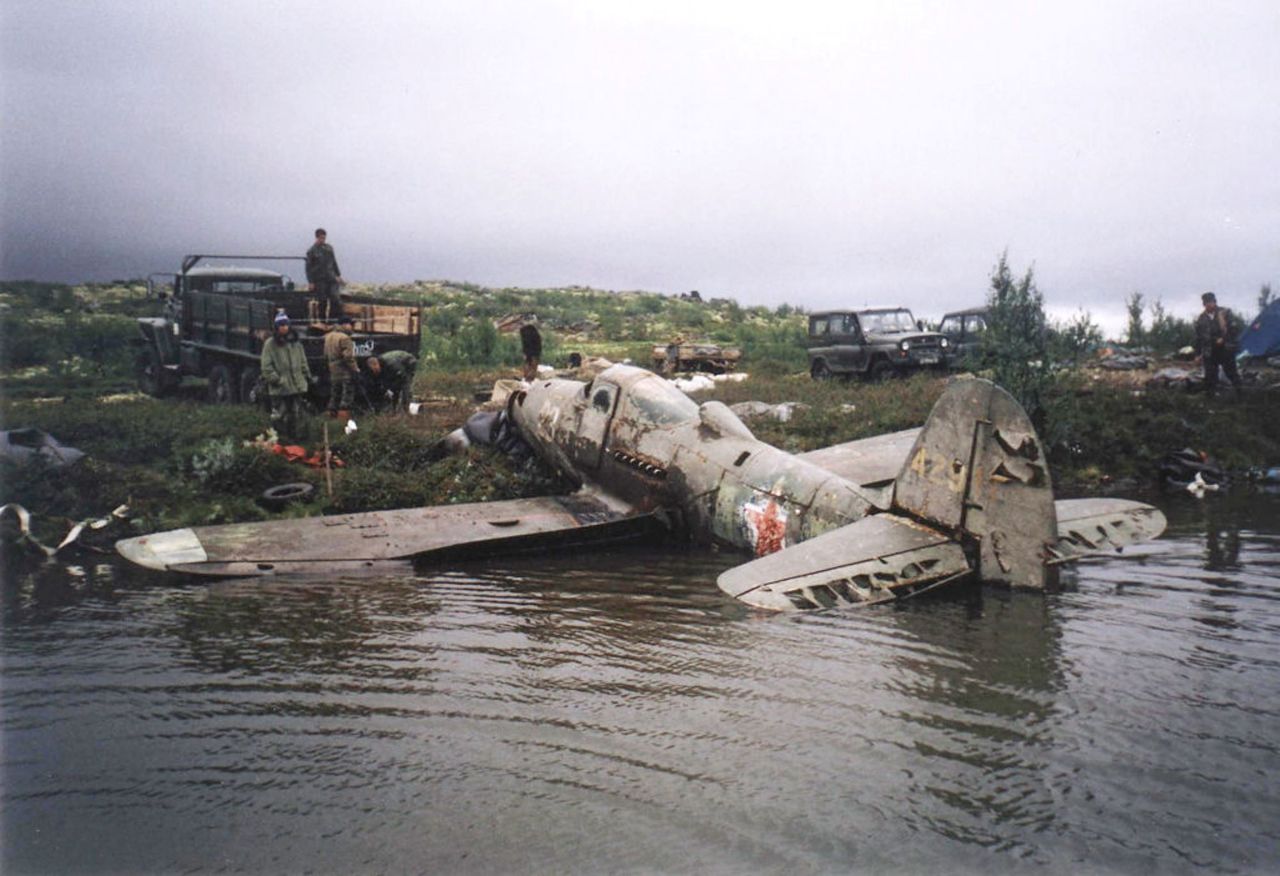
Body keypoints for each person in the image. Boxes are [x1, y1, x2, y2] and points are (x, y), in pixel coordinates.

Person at [260, 312, 312, 440]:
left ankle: (296, 439)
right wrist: (277, 380)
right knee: (279, 415)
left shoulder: (295, 343)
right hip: (280, 388)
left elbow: (303, 361)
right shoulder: (270, 344)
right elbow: (266, 367)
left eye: (286, 325)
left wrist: (307, 377)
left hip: (296, 386)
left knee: (296, 414)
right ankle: (280, 439)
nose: (284, 328)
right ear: (276, 327)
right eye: (281, 325)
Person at [1195, 291, 1243, 398]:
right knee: (1210, 376)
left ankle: (1241, 394)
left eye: (1211, 302)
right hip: (1209, 351)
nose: (1209, 304)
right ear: (1204, 304)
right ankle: (1211, 398)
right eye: (1206, 302)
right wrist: (1197, 354)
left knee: (1231, 372)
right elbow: (1198, 338)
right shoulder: (1201, 319)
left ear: (1215, 302)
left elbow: (1234, 329)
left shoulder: (1225, 313)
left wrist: (1224, 339)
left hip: (1226, 349)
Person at [324, 313, 359, 420]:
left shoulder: (328, 336)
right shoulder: (345, 338)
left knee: (334, 395)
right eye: (351, 324)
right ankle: (343, 421)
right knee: (346, 397)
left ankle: (330, 418)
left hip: (333, 371)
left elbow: (325, 354)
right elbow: (348, 357)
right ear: (345, 325)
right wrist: (356, 370)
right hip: (344, 372)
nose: (352, 327)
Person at [305, 227, 343, 321]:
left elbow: (334, 262)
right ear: (317, 238)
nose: (323, 240)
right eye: (321, 238)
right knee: (322, 301)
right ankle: (322, 322)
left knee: (335, 298)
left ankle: (332, 321)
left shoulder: (329, 248)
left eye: (324, 238)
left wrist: (338, 275)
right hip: (319, 279)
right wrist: (311, 282)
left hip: (331, 277)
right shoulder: (312, 251)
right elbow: (308, 268)